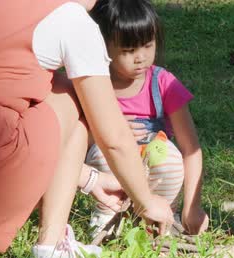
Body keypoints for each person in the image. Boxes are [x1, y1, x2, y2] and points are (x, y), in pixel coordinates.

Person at [0, 0, 174, 258]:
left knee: (41, 88)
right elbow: (113, 137)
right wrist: (145, 200)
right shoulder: (72, 20)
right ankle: (50, 251)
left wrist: (91, 180)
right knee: (75, 95)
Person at [84, 0, 209, 239]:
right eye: (128, 50)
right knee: (103, 155)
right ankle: (108, 217)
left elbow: (190, 149)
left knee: (170, 158)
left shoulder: (162, 83)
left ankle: (160, 219)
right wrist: (107, 133)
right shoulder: (95, 83)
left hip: (153, 158)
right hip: (109, 161)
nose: (140, 57)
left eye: (147, 46)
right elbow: (77, 140)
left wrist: (192, 206)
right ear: (104, 46)